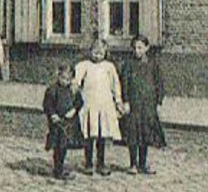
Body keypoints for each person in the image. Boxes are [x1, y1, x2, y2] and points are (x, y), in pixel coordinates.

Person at [73, 37, 124, 176]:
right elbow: (75, 81)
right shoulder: (84, 65)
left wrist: (118, 101)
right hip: (89, 104)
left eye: (101, 53)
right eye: (95, 52)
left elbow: (115, 85)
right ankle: (88, 163)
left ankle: (101, 163)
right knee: (89, 134)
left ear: (105, 53)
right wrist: (75, 92)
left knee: (102, 135)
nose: (97, 55)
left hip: (104, 105)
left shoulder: (109, 67)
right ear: (90, 51)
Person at [118, 34, 166, 174]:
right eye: (134, 48)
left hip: (148, 105)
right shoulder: (128, 64)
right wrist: (125, 101)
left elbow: (159, 83)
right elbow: (124, 84)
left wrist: (158, 101)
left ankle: (142, 164)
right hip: (134, 105)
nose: (137, 51)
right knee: (133, 135)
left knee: (145, 134)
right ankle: (132, 164)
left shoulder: (153, 64)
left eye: (140, 47)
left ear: (146, 48)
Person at [42, 64, 82, 179]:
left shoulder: (73, 90)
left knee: (63, 146)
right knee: (57, 145)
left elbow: (79, 102)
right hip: (56, 123)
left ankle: (60, 166)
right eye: (63, 78)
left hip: (67, 122)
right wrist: (52, 114)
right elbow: (47, 104)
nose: (65, 81)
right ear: (58, 76)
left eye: (68, 79)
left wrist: (74, 110)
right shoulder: (52, 90)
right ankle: (57, 169)